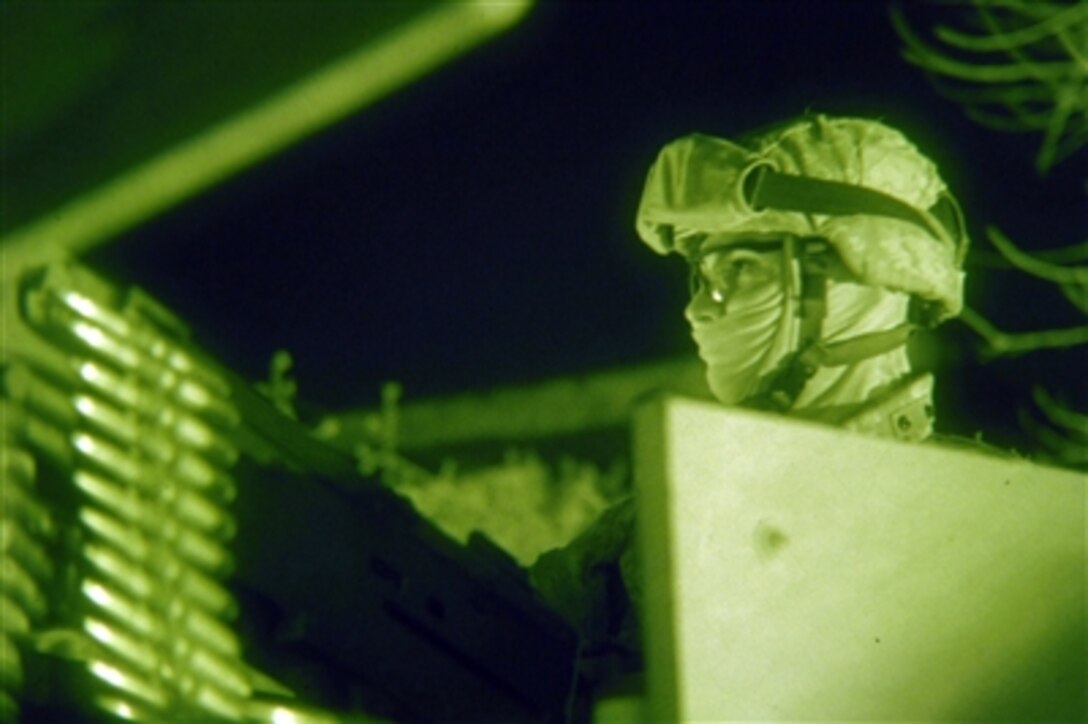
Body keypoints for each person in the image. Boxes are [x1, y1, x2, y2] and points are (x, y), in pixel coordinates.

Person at [530, 112, 971, 700]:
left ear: (856, 282)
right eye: (703, 279)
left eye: (741, 268)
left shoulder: (987, 519)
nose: (703, 310)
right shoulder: (640, 533)